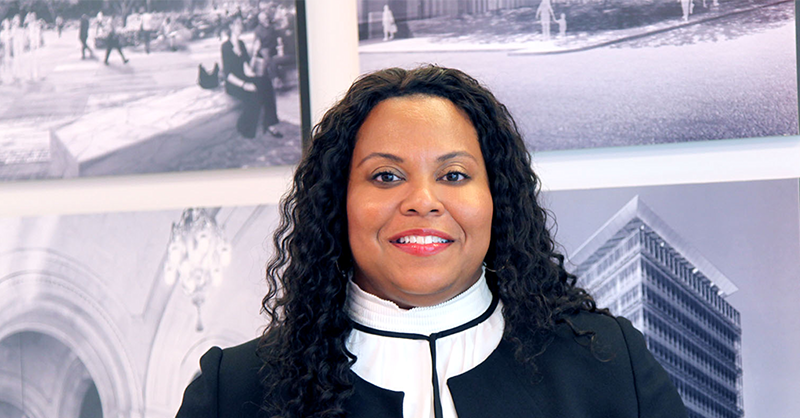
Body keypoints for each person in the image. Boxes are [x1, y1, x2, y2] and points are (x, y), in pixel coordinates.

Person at [176, 66, 688, 418]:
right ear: (338, 203)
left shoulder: (607, 363)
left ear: (497, 200)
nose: (423, 201)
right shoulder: (237, 388)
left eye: (455, 175)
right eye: (385, 177)